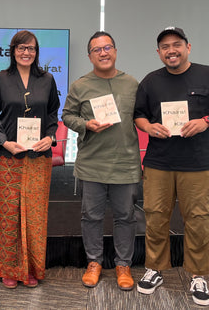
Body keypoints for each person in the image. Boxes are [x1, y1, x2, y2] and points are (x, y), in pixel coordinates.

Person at [134, 26, 209, 306]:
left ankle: (198, 275)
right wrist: (149, 127)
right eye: (165, 47)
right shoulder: (150, 82)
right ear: (158, 53)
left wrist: (206, 121)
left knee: (199, 220)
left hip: (199, 164)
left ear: (188, 47)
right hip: (159, 163)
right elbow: (139, 116)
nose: (171, 50)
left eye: (176, 44)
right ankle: (154, 268)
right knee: (155, 217)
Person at [61, 31, 141, 291]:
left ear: (115, 51)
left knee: (126, 217)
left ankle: (123, 265)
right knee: (91, 216)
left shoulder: (132, 84)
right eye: (97, 49)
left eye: (108, 47)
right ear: (90, 56)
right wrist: (86, 124)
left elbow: (143, 117)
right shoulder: (80, 85)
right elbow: (68, 115)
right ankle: (94, 262)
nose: (103, 53)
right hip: (92, 164)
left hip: (125, 164)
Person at [0, 30, 60, 289]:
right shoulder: (0, 79)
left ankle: (30, 268)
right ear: (13, 51)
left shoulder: (47, 79)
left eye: (31, 48)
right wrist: (4, 141)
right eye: (21, 48)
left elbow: (52, 113)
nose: (26, 52)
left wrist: (50, 137)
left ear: (36, 52)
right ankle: (9, 268)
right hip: (6, 157)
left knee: (34, 216)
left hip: (38, 157)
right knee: (7, 214)